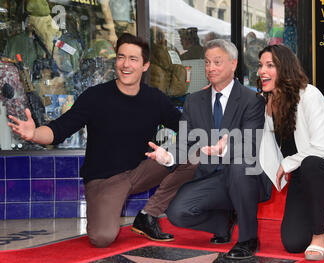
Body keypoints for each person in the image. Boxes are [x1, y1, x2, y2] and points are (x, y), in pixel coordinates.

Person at [7, 33, 197, 248]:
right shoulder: (95, 97)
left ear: (145, 66)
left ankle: (148, 215)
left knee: (194, 154)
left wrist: (208, 129)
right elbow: (59, 129)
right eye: (121, 57)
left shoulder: (155, 99)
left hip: (141, 171)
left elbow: (188, 129)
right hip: (104, 181)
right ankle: (102, 207)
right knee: (102, 238)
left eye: (133, 59)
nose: (125, 64)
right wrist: (34, 134)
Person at [146, 39, 269, 260]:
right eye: (207, 62)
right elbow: (185, 140)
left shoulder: (252, 100)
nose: (210, 68)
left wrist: (225, 148)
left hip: (247, 176)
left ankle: (248, 239)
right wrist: (169, 155)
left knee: (239, 165)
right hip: (213, 178)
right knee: (176, 212)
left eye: (217, 62)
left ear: (233, 64)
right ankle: (224, 221)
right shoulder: (194, 101)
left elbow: (252, 144)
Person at [257, 44, 324, 261]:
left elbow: (320, 147)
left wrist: (287, 164)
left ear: (285, 69)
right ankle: (323, 216)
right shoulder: (268, 103)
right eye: (260, 65)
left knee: (311, 162)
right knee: (293, 243)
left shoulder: (309, 95)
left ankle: (320, 235)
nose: (261, 71)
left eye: (269, 65)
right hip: (302, 179)